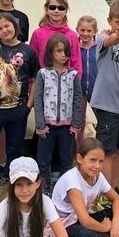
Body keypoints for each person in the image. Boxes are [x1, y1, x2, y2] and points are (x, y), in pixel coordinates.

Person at [51, 138, 119, 237]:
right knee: (84, 234)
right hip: (66, 224)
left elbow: (117, 200)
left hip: (82, 218)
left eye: (101, 161)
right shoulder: (73, 182)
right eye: (92, 160)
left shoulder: (98, 176)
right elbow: (85, 221)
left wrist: (115, 224)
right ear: (80, 159)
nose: (97, 166)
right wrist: (105, 227)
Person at [0, 13, 38, 175]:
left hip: (18, 108)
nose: (4, 30)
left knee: (15, 148)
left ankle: (13, 177)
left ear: (15, 26)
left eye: (7, 26)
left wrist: (28, 106)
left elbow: (34, 81)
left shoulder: (28, 51)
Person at [90, 0, 119, 189]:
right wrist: (116, 35)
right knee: (107, 151)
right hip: (107, 105)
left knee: (118, 150)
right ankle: (105, 191)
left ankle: (114, 188)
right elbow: (111, 40)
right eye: (118, 21)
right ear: (109, 20)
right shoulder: (102, 39)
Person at [34, 34, 83, 192]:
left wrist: (76, 124)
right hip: (47, 126)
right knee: (44, 159)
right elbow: (38, 99)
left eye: (65, 51)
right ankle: (45, 188)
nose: (63, 54)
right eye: (59, 51)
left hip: (66, 126)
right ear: (50, 53)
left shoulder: (73, 75)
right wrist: (40, 124)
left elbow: (77, 99)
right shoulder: (43, 74)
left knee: (66, 159)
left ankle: (66, 188)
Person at [29, 0, 82, 78]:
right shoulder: (37, 34)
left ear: (66, 11)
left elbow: (76, 63)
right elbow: (32, 63)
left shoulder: (72, 35)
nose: (56, 11)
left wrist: (75, 85)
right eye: (52, 7)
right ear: (46, 10)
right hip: (43, 83)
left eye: (61, 8)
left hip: (67, 83)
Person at [76, 15, 98, 144]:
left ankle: (104, 148)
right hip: (80, 89)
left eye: (89, 31)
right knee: (80, 121)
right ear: (77, 30)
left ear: (94, 31)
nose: (85, 33)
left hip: (97, 90)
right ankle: (81, 149)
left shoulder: (99, 48)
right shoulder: (75, 48)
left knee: (102, 121)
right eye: (82, 30)